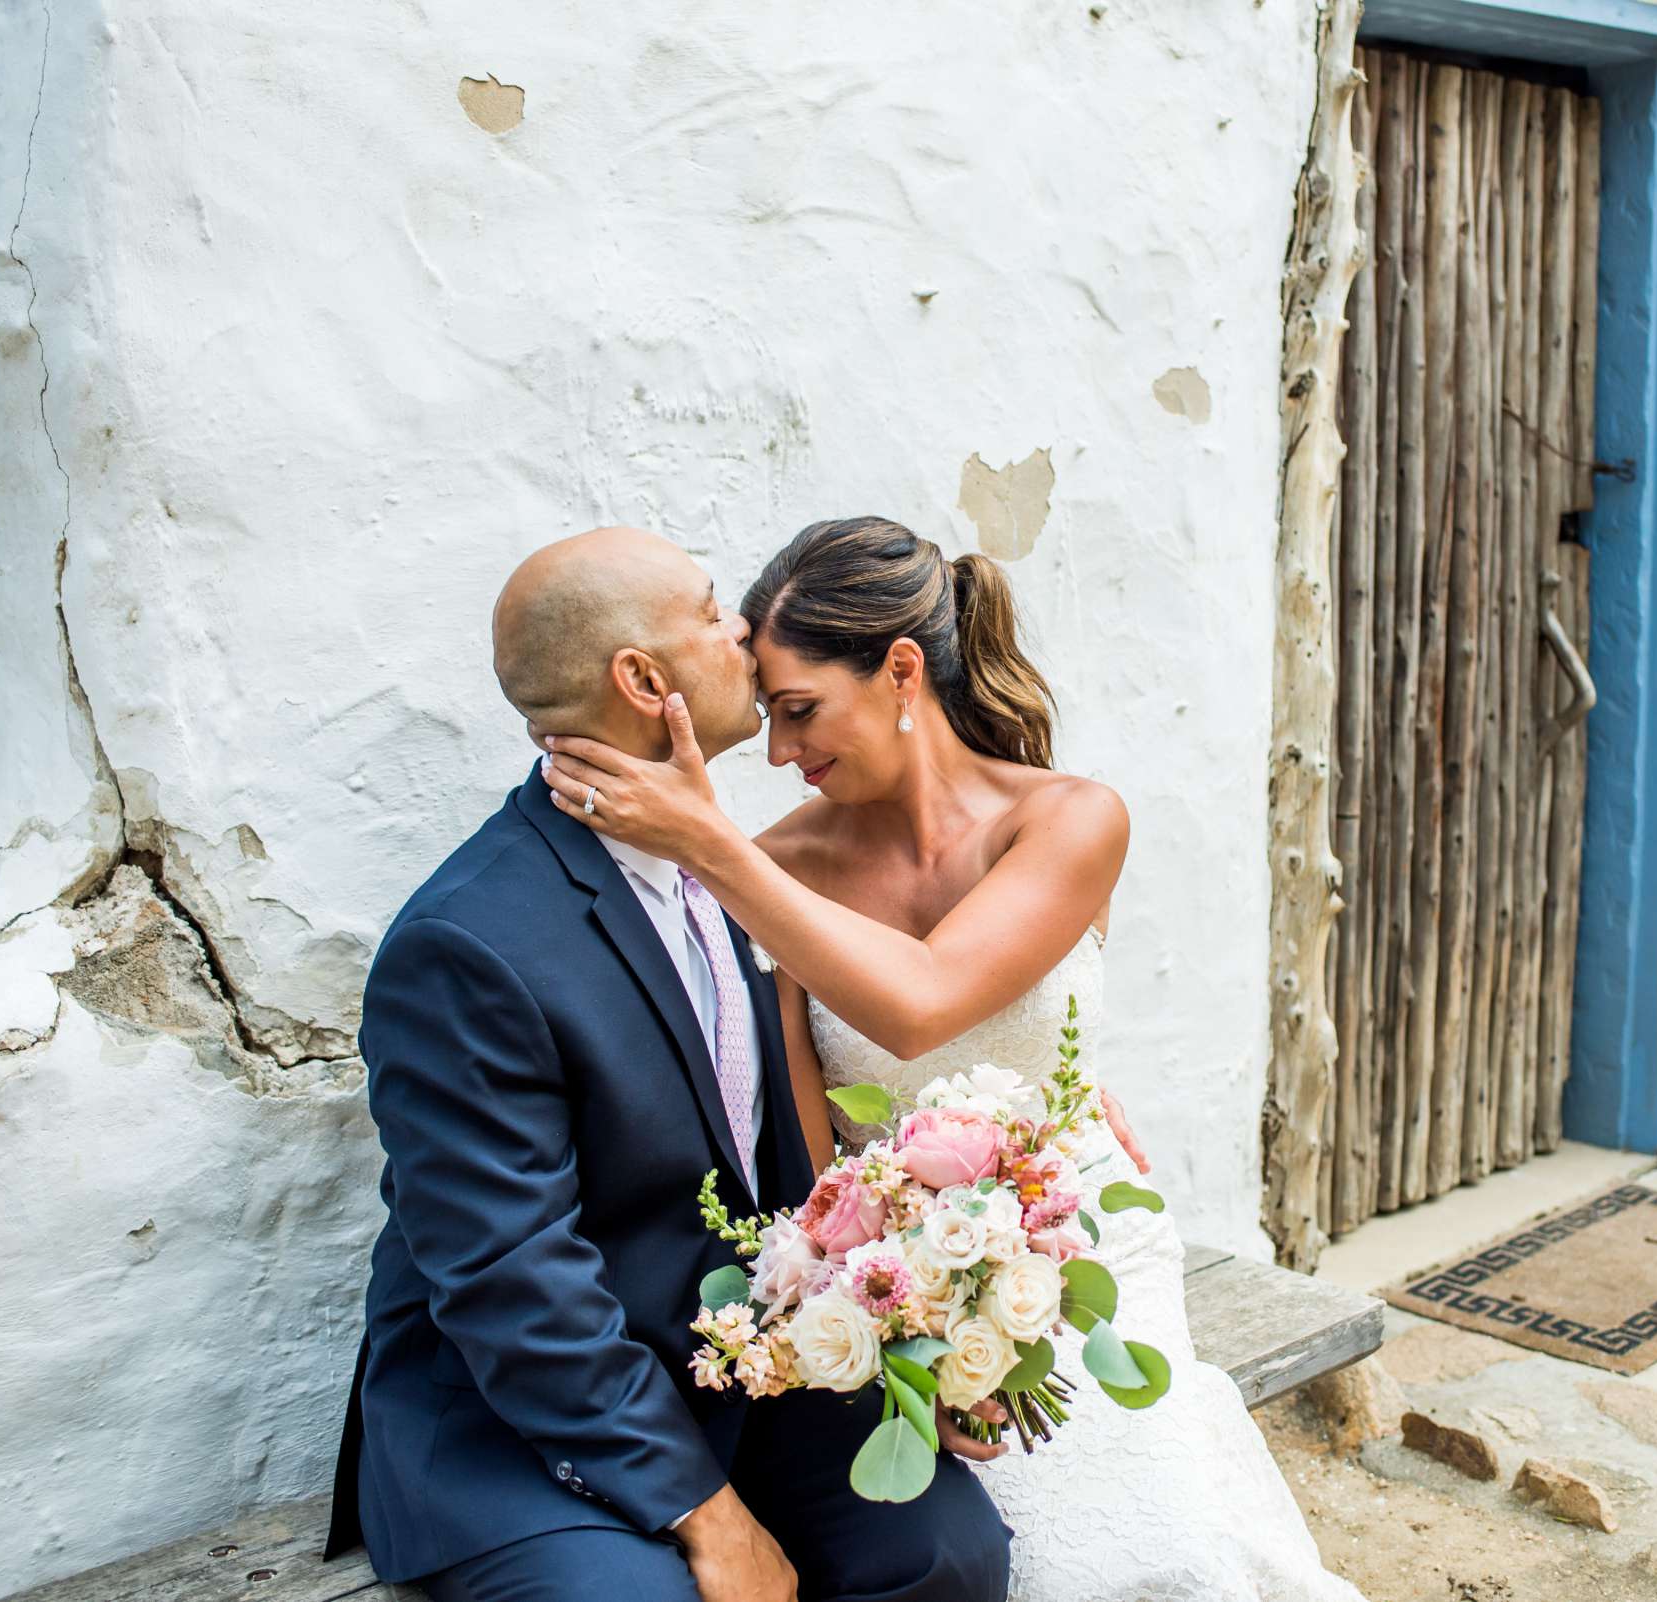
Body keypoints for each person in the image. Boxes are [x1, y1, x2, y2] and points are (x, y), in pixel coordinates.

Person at [537, 516, 1366, 1602]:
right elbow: (810, 1152)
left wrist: (709, 841)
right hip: (891, 1280)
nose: (781, 756)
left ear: (900, 671)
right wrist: (897, 1323)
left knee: (1162, 1556)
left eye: (798, 713)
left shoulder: (1068, 820)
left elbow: (927, 1005)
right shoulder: (779, 867)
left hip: (1082, 1243)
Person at [326, 526, 1011, 1602]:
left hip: (737, 1364)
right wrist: (707, 1512)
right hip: (521, 1421)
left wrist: (910, 1339)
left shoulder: (729, 866)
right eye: (708, 612)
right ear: (644, 681)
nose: (743, 627)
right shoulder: (468, 945)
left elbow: (788, 1152)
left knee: (944, 1554)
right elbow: (510, 1282)